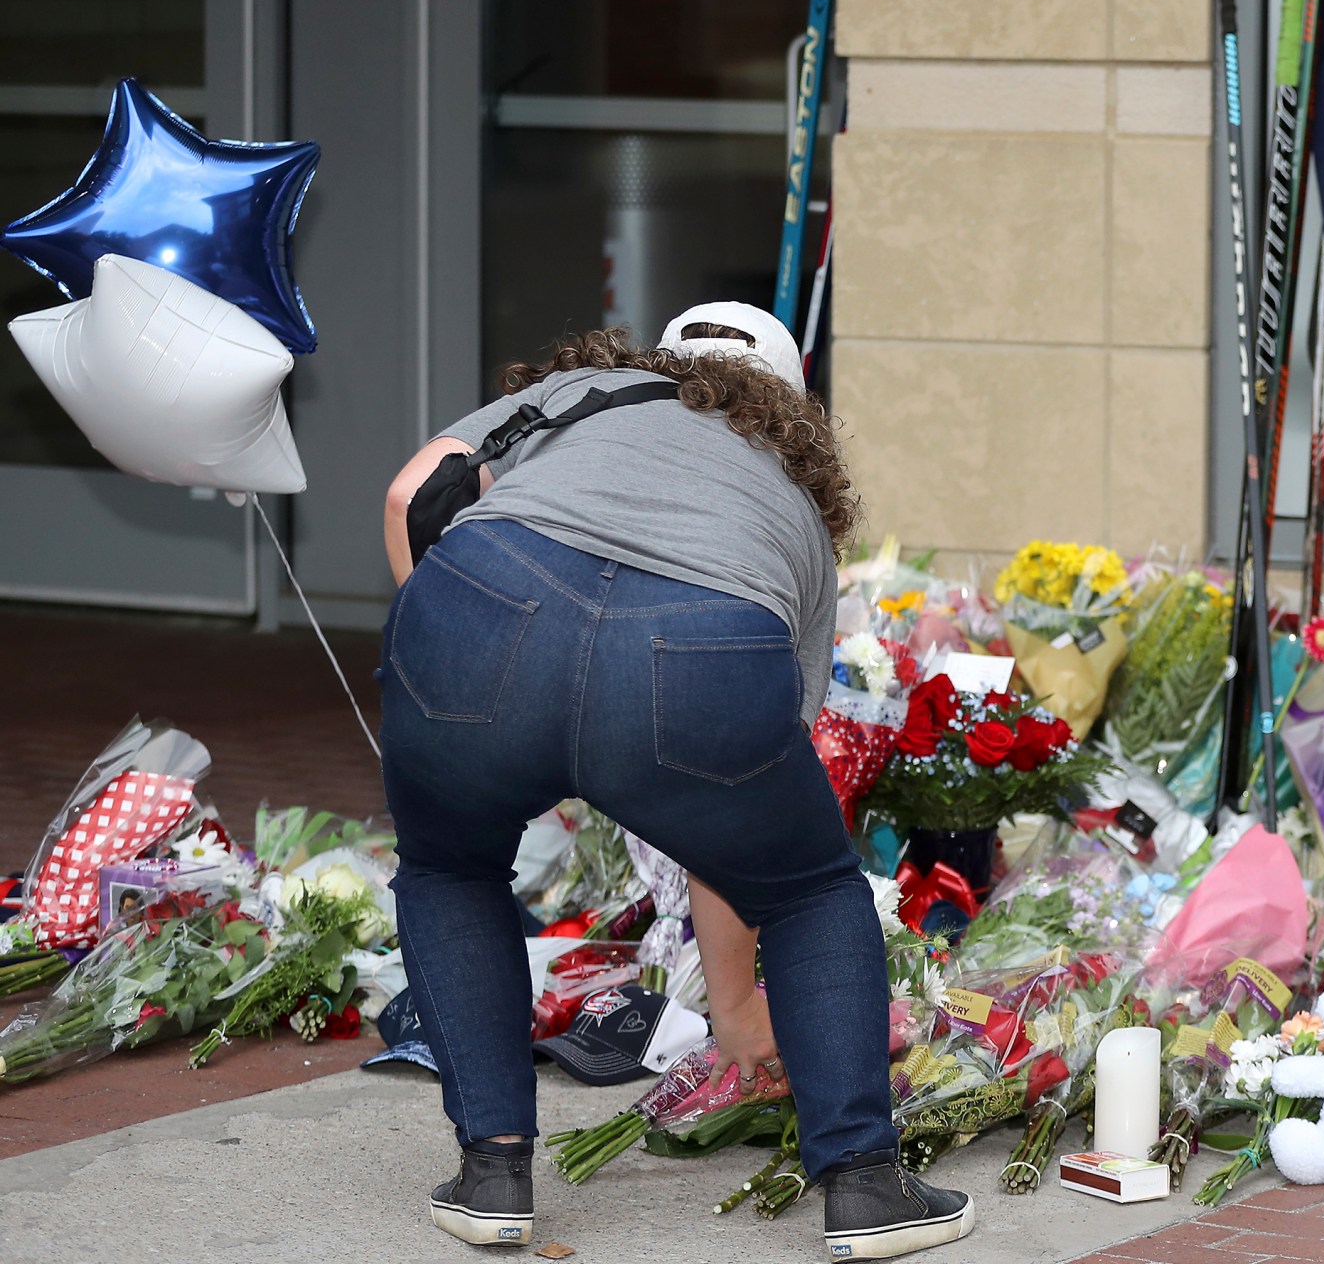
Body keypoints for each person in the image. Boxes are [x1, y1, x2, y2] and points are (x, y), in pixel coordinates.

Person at [378, 304, 971, 1259]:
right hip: (706, 639)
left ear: (658, 358)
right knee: (812, 888)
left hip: (484, 601)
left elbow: (419, 489)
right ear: (795, 410)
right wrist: (736, 1008)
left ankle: (492, 1176)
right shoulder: (795, 517)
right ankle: (864, 1187)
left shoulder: (580, 396)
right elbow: (734, 832)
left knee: (450, 867)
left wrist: (450, 662)